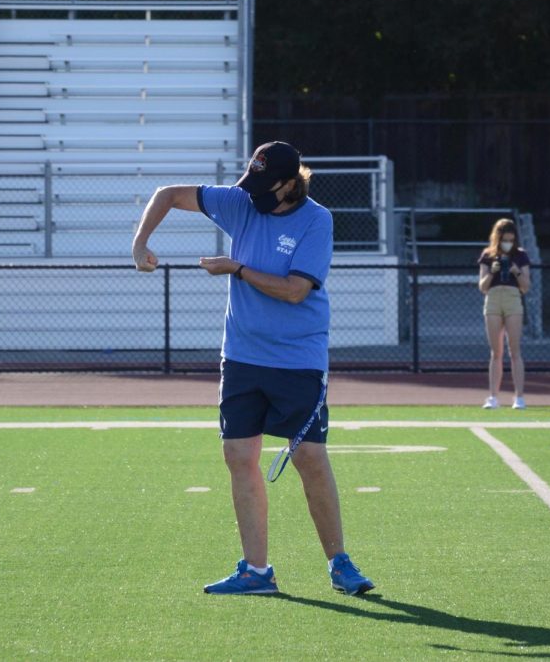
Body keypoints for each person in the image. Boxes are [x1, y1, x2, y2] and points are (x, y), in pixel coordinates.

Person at [132, 141, 374, 596]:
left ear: (289, 183)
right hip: (241, 356)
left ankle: (340, 563)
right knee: (239, 458)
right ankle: (256, 572)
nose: (253, 194)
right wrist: (140, 241)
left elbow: (295, 290)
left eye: (266, 185)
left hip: (297, 358)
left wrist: (236, 269)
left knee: (309, 458)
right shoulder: (242, 201)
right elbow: (167, 194)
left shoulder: (316, 220)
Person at [477, 218, 531, 409]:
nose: (507, 243)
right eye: (504, 239)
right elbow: (482, 287)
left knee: (514, 351)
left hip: (512, 299)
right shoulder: (487, 255)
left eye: (510, 239)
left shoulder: (521, 255)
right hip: (493, 298)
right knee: (496, 352)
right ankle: (492, 397)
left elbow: (526, 286)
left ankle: (519, 397)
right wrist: (492, 272)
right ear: (497, 238)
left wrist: (516, 271)